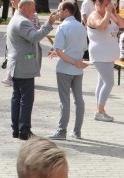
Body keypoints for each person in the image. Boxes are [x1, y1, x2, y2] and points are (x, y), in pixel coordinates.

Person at [6, 0, 57, 140]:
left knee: (17, 98)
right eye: (33, 7)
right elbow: (34, 37)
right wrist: (49, 25)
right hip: (24, 65)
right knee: (26, 99)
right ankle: (24, 130)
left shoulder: (16, 19)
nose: (35, 10)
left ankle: (16, 129)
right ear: (25, 7)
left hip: (17, 65)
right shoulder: (22, 21)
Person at [49, 1, 88, 140]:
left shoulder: (63, 27)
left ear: (66, 11)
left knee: (64, 101)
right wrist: (76, 61)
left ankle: (61, 131)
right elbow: (82, 48)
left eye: (60, 10)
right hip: (77, 70)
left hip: (65, 69)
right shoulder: (81, 27)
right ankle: (77, 131)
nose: (58, 13)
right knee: (79, 100)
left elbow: (59, 50)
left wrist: (71, 60)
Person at [87, 0, 124, 122]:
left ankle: (99, 108)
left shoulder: (110, 14)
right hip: (100, 54)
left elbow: (122, 25)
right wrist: (108, 13)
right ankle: (100, 111)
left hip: (109, 54)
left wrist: (114, 12)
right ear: (98, 3)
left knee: (102, 82)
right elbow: (102, 27)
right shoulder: (93, 16)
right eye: (106, 4)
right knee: (109, 82)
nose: (109, 6)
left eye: (110, 3)